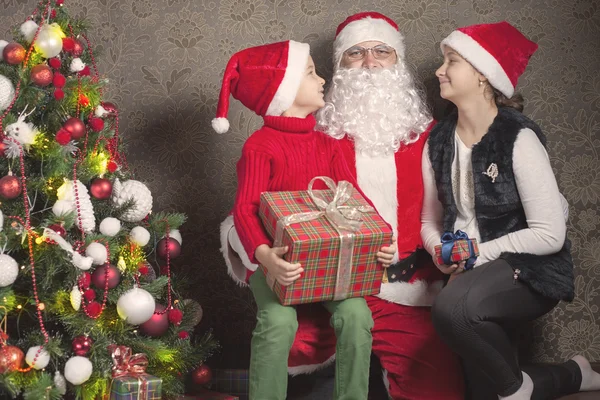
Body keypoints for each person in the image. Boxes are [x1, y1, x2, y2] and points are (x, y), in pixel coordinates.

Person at [421, 21, 600, 399]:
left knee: (451, 309)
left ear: (482, 75)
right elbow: (429, 220)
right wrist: (440, 253)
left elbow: (550, 234)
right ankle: (573, 375)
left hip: (531, 269)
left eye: (451, 60)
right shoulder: (437, 140)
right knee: (483, 389)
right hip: (468, 272)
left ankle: (516, 392)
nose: (440, 70)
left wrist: (477, 256)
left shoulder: (518, 137)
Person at [212, 40, 396, 400]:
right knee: (279, 321)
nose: (322, 78)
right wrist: (266, 257)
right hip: (277, 262)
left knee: (357, 315)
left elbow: (356, 200)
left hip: (328, 263)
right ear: (284, 90)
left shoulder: (329, 144)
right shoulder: (260, 146)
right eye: (311, 73)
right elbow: (246, 209)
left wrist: (382, 240)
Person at [317, 11, 464, 400]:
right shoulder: (317, 137)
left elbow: (455, 212)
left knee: (437, 390)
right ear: (339, 66)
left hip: (409, 289)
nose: (369, 63)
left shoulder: (433, 136)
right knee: (288, 356)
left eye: (382, 51)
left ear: (398, 62)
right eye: (356, 53)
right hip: (337, 286)